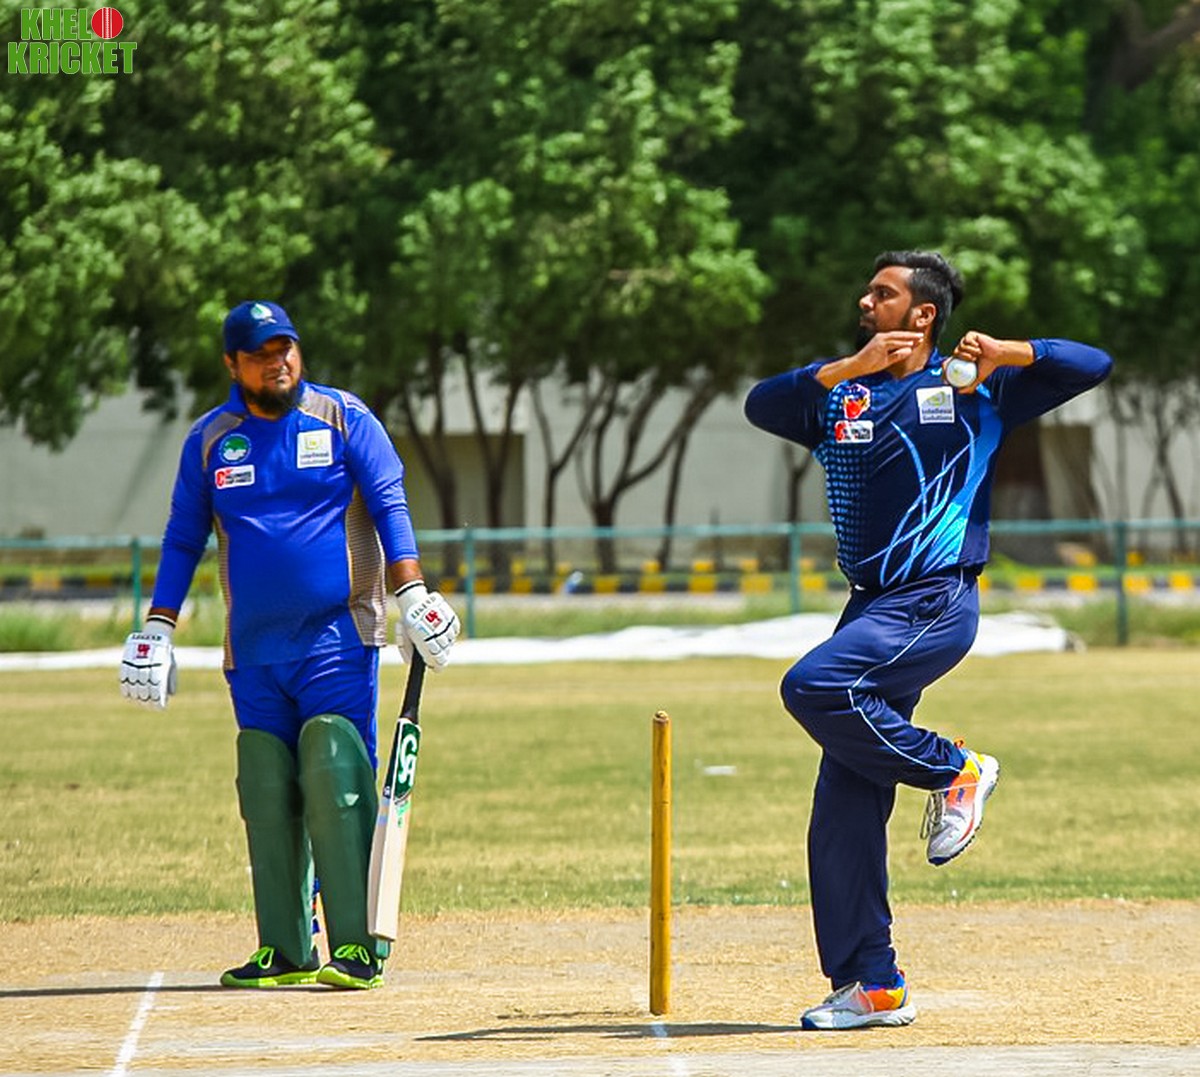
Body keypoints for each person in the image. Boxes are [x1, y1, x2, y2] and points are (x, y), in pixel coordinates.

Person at [743, 251, 1112, 1030]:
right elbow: (761, 404)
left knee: (812, 685)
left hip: (935, 598)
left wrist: (1010, 351)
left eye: (882, 293)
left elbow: (1093, 364)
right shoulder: (842, 391)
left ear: (923, 314)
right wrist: (849, 367)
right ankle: (871, 982)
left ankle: (956, 769)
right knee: (843, 801)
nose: (864, 300)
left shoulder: (974, 386)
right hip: (870, 608)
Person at [119, 299, 459, 990]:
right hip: (252, 649)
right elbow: (184, 537)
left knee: (335, 769)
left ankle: (358, 944)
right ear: (232, 364)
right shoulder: (212, 440)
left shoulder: (344, 417)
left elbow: (389, 502)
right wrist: (158, 626)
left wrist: (412, 592)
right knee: (267, 783)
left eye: (285, 349)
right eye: (260, 354)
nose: (277, 363)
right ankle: (285, 945)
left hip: (338, 636)